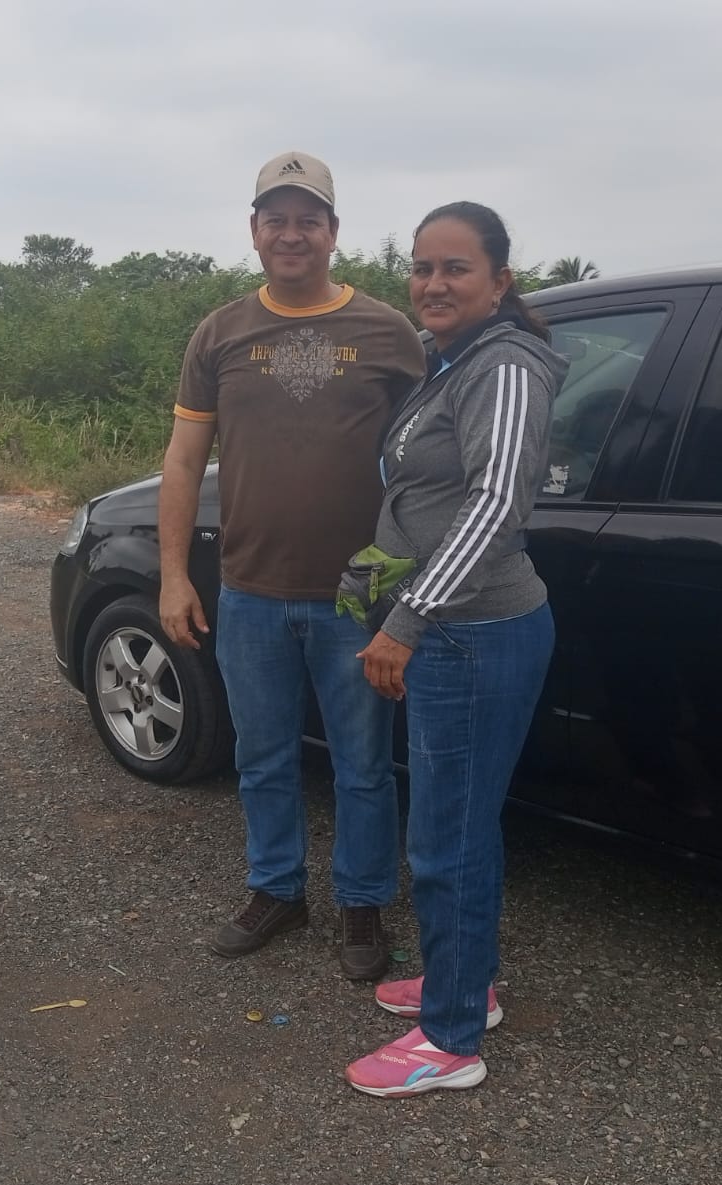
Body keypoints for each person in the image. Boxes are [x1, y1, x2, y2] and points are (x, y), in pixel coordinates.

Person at [158, 151, 426, 980]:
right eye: (276, 218)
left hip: (358, 597)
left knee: (362, 767)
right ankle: (276, 889)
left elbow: (427, 463)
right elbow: (182, 460)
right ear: (254, 231)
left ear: (333, 232)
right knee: (262, 757)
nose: (291, 233)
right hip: (249, 592)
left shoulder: (388, 333)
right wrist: (174, 574)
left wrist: (412, 580)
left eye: (308, 219)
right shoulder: (221, 333)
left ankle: (362, 903)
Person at [341, 202, 568, 1096]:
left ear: (499, 281)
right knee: (459, 824)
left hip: (472, 634)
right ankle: (465, 981)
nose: (433, 284)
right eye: (422, 267)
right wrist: (375, 574)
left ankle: (451, 1039)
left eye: (456, 268)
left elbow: (495, 504)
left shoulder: (503, 367)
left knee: (447, 837)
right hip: (452, 629)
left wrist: (407, 620)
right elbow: (427, 496)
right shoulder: (456, 359)